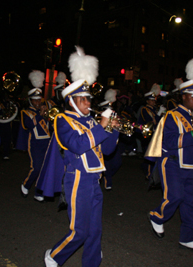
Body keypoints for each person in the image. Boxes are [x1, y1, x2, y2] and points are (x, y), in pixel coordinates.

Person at [39, 46, 119, 267]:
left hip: (94, 180)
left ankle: (91, 263)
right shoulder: (62, 120)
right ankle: (54, 256)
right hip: (77, 180)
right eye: (83, 99)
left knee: (95, 230)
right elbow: (77, 145)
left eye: (89, 99)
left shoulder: (92, 122)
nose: (88, 103)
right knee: (80, 231)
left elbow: (108, 150)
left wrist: (113, 129)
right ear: (71, 100)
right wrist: (102, 127)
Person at [146, 57, 193, 252]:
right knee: (174, 197)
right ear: (183, 96)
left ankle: (187, 236)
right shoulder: (172, 116)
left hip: (190, 166)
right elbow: (169, 143)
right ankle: (157, 216)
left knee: (191, 204)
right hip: (172, 163)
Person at [17, 70, 50, 202]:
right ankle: (26, 184)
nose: (37, 103)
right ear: (30, 101)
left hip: (47, 142)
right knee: (36, 168)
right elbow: (29, 125)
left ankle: (38, 191)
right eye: (35, 100)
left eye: (39, 100)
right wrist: (39, 114)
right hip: (35, 143)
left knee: (45, 169)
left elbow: (52, 126)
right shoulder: (26, 112)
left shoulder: (45, 110)